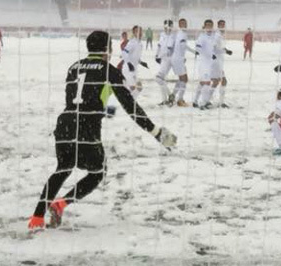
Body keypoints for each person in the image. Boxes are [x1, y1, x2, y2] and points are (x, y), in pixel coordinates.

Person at [28, 31, 177, 229]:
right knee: (98, 172)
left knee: (63, 169)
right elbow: (130, 106)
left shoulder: (74, 67)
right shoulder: (109, 70)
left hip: (65, 122)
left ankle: (36, 218)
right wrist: (155, 131)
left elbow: (77, 100)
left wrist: (103, 109)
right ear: (108, 49)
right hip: (87, 126)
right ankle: (60, 204)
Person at [170, 18, 195, 107]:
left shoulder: (181, 33)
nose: (184, 25)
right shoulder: (181, 34)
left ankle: (172, 96)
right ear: (179, 25)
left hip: (178, 59)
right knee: (184, 79)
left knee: (182, 79)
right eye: (182, 23)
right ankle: (180, 100)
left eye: (185, 23)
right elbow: (182, 46)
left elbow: (181, 46)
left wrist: (193, 51)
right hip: (178, 59)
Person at [193, 19, 217, 109]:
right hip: (203, 63)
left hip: (210, 63)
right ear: (204, 26)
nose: (209, 27)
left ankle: (195, 101)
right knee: (207, 83)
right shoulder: (202, 37)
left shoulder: (213, 37)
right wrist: (208, 55)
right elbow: (198, 48)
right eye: (207, 25)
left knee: (202, 83)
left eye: (210, 25)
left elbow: (212, 49)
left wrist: (213, 55)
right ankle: (203, 103)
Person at [211, 19, 233, 108]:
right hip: (216, 62)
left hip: (219, 61)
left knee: (216, 82)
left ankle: (208, 99)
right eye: (221, 25)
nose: (223, 26)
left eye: (224, 25)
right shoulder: (217, 35)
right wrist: (224, 51)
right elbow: (213, 47)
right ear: (218, 26)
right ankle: (220, 102)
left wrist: (226, 50)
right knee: (223, 81)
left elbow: (219, 47)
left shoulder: (220, 35)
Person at [121, 25, 147, 96]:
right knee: (134, 87)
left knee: (139, 88)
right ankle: (130, 104)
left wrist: (141, 62)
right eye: (137, 31)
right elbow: (124, 53)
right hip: (128, 69)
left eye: (140, 31)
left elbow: (135, 56)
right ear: (133, 33)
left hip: (134, 69)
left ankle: (131, 103)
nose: (139, 33)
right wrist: (129, 64)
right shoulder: (132, 42)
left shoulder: (140, 44)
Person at [155, 20, 175, 105]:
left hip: (169, 59)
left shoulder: (173, 36)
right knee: (161, 79)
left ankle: (169, 95)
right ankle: (166, 99)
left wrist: (160, 55)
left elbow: (169, 49)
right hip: (163, 59)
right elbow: (159, 46)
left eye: (169, 26)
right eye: (165, 26)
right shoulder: (162, 35)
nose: (166, 28)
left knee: (158, 78)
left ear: (171, 26)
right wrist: (157, 55)